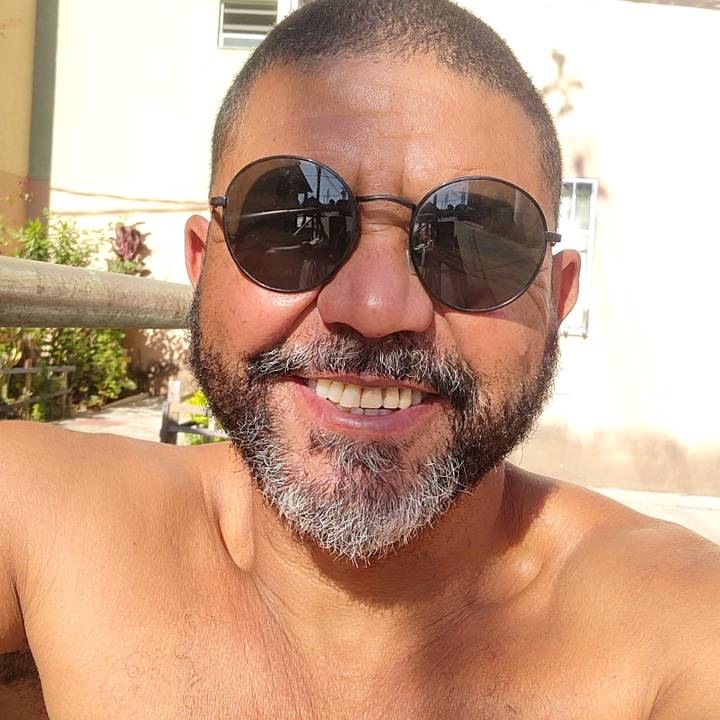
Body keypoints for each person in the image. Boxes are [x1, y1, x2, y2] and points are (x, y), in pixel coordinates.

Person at [1, 1, 718, 717]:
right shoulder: (44, 520)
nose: (375, 308)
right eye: (294, 224)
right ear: (202, 261)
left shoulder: (676, 628)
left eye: (472, 240)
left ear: (558, 299)